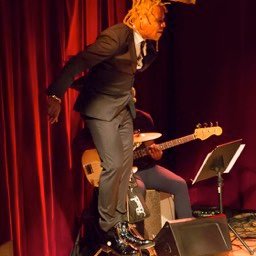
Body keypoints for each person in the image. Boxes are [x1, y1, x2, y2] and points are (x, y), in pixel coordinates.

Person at [46, 1, 168, 255]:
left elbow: (135, 67)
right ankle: (108, 228)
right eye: (159, 20)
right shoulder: (116, 37)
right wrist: (56, 94)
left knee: (125, 164)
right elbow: (80, 61)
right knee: (113, 164)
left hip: (122, 108)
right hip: (101, 109)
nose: (163, 25)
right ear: (143, 18)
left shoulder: (144, 44)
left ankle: (122, 224)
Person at [133, 109, 193, 221]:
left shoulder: (143, 118)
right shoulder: (112, 119)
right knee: (138, 189)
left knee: (180, 184)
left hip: (148, 168)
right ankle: (136, 235)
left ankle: (186, 232)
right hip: (126, 172)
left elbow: (150, 145)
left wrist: (157, 155)